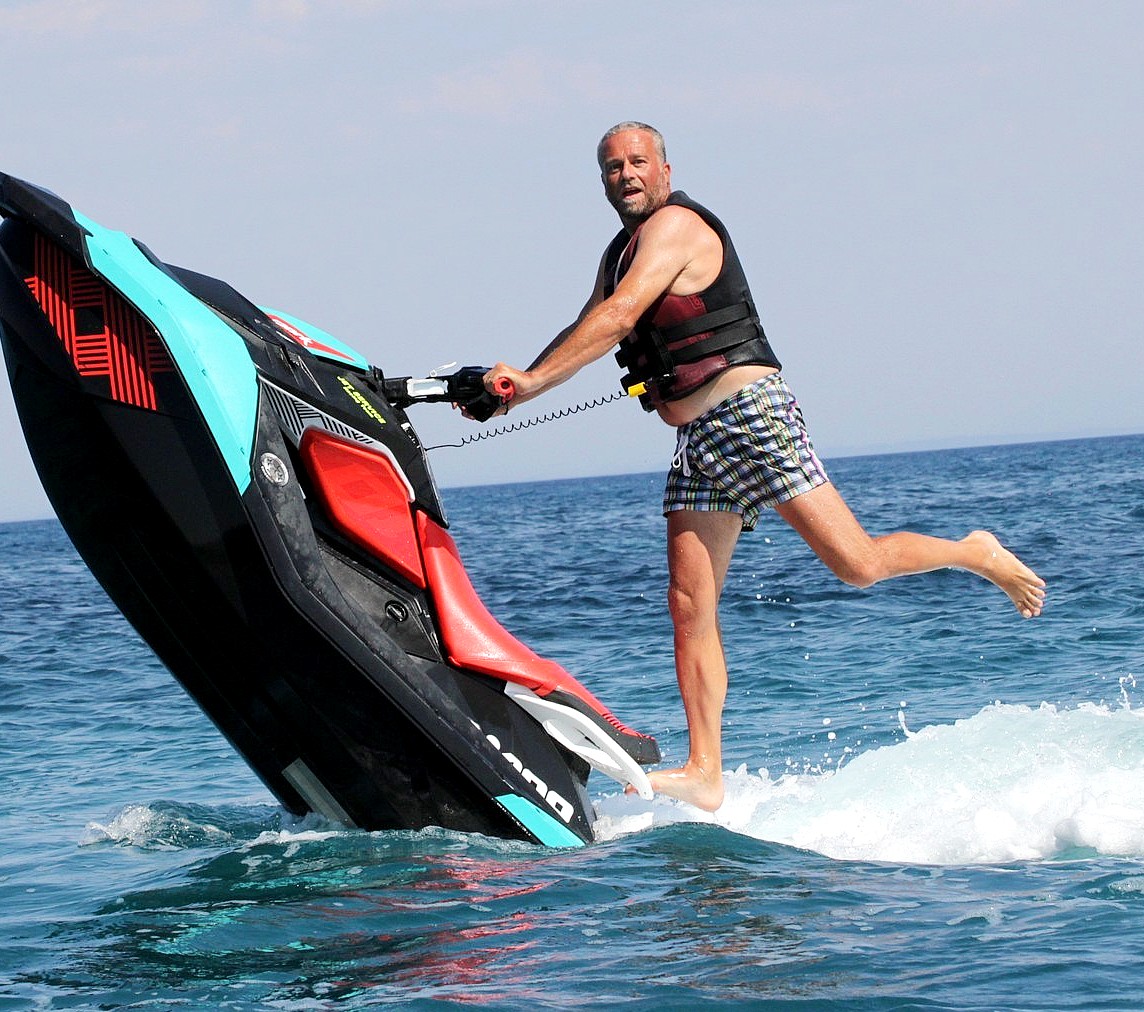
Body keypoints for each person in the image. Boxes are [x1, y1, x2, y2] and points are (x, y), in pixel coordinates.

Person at [478, 121, 1046, 813]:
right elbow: (590, 319)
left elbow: (624, 316)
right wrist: (518, 381)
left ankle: (974, 552)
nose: (624, 175)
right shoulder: (618, 252)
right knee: (689, 603)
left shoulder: (678, 226)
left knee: (857, 565)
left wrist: (534, 383)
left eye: (636, 162)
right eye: (610, 168)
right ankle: (706, 769)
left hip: (750, 415)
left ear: (663, 167)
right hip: (699, 442)